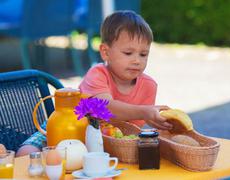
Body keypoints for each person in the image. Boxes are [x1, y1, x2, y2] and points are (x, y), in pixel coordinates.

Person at [16, 10, 172, 157]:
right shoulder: (97, 74)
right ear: (105, 52)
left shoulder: (149, 86)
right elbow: (104, 108)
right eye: (128, 53)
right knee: (27, 152)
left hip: (104, 140)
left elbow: (129, 130)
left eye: (143, 54)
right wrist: (144, 111)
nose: (137, 60)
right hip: (69, 125)